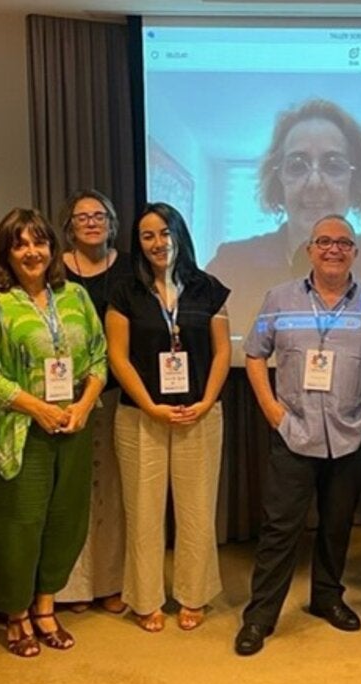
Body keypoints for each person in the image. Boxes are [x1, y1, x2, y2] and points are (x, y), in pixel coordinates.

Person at [234, 215, 361, 656]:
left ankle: (326, 597)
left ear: (355, 252)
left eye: (343, 242)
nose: (333, 249)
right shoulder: (279, 299)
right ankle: (259, 617)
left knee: (337, 527)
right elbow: (253, 354)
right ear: (310, 249)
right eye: (324, 241)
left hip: (349, 435)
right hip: (294, 431)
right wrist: (270, 408)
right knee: (280, 530)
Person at [0, 209, 108, 657]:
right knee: (17, 526)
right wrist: (38, 409)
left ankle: (46, 606)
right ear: (6, 253)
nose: (32, 251)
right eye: (20, 244)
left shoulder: (76, 296)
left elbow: (99, 359)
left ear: (52, 248)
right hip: (16, 432)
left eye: (39, 242)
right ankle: (17, 614)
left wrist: (83, 405)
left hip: (74, 427)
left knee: (66, 520)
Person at [107, 203, 231, 633]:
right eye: (147, 236)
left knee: (197, 510)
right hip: (141, 416)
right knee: (142, 511)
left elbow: (222, 353)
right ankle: (145, 598)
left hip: (199, 413)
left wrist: (207, 400)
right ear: (138, 244)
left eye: (165, 233)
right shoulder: (125, 292)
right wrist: (149, 405)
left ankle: (193, 595)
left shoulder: (208, 288)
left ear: (179, 234)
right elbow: (117, 358)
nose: (158, 243)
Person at [205, 98, 361, 325]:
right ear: (279, 177)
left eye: (333, 166)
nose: (314, 182)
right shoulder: (232, 264)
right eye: (296, 165)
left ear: (356, 179)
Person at [54, 189, 133, 615]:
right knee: (71, 491)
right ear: (68, 226)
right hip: (64, 397)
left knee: (114, 495)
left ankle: (108, 582)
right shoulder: (55, 270)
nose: (91, 222)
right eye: (82, 216)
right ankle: (70, 586)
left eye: (99, 215)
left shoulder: (129, 270)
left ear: (112, 222)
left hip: (116, 393)